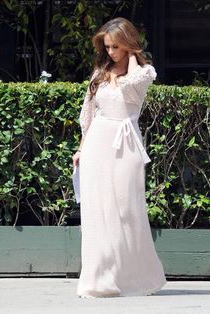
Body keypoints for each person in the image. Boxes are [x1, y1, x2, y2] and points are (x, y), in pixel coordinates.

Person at [72, 17, 167, 298]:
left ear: (127, 45)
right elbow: (88, 116)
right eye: (107, 47)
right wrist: (80, 148)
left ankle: (138, 277)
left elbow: (133, 86)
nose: (110, 52)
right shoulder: (99, 73)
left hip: (126, 145)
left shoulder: (144, 73)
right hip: (97, 145)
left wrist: (134, 57)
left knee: (128, 211)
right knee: (97, 212)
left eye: (115, 46)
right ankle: (99, 279)